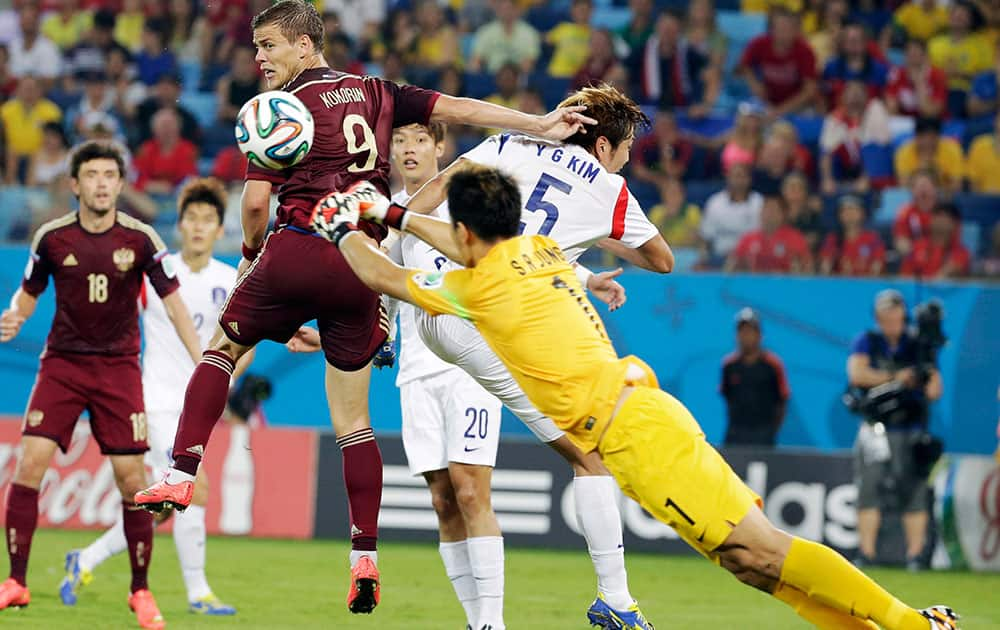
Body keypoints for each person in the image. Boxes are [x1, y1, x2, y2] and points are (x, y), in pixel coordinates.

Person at [312, 165, 961, 630]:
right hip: (638, 416)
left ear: (472, 235)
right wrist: (385, 213)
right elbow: (457, 241)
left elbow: (383, 275)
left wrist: (342, 225)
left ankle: (911, 624)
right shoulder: (537, 247)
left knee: (764, 549)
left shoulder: (481, 290)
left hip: (635, 437)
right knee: (749, 565)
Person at [134, 0, 595, 616]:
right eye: (256, 46)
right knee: (353, 421)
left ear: (305, 46)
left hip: (301, 243)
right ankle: (363, 556)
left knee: (221, 348)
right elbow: (461, 111)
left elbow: (252, 205)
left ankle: (182, 473)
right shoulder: (380, 91)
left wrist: (249, 259)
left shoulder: (279, 109)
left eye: (269, 45)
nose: (259, 57)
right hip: (362, 268)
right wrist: (538, 123)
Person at [305, 84, 670, 630]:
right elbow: (660, 259)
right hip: (493, 321)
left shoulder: (510, 144)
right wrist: (594, 238)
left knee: (461, 491)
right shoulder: (612, 191)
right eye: (624, 150)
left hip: (440, 308)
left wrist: (390, 230)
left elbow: (429, 198)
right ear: (603, 148)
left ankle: (488, 623)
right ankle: (614, 598)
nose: (625, 160)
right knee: (589, 453)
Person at [0, 141, 203, 629]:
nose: (101, 184)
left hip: (118, 370)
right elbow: (27, 294)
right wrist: (13, 316)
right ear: (75, 185)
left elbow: (174, 303)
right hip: (63, 367)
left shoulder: (142, 239)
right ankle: (17, 581)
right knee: (29, 463)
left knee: (134, 481)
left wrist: (204, 360)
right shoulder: (52, 238)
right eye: (91, 175)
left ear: (120, 183)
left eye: (110, 175)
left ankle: (140, 591)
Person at [60, 178, 241, 616]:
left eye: (208, 221)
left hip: (198, 407)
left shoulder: (231, 279)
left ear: (220, 230)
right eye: (191, 219)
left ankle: (85, 559)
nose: (198, 228)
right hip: (157, 401)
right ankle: (198, 594)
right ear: (179, 226)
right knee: (191, 488)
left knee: (163, 504)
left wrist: (228, 375)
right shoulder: (156, 275)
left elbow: (243, 339)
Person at [847, 289, 943, 571]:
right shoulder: (868, 341)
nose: (891, 321)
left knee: (913, 490)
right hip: (875, 425)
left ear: (903, 316)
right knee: (869, 487)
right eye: (885, 316)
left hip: (910, 426)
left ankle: (915, 555)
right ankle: (866, 553)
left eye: (896, 315)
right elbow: (856, 374)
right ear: (878, 317)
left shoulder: (918, 345)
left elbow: (935, 389)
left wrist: (920, 379)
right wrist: (896, 378)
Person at [720, 308, 790, 447]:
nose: (746, 336)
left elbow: (782, 401)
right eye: (742, 331)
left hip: (763, 435)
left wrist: (770, 430)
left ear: (759, 335)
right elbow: (727, 396)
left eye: (750, 331)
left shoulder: (773, 365)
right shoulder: (729, 365)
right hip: (735, 434)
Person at [725, 194, 812, 274]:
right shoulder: (748, 238)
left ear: (783, 214)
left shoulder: (796, 239)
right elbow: (732, 266)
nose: (769, 214)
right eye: (766, 209)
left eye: (773, 210)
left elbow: (807, 268)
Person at [819, 195, 886, 276]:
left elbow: (877, 268)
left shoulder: (873, 238)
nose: (849, 214)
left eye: (854, 210)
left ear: (863, 214)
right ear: (839, 215)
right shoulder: (833, 239)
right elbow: (825, 269)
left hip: (866, 285)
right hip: (839, 285)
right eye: (845, 210)